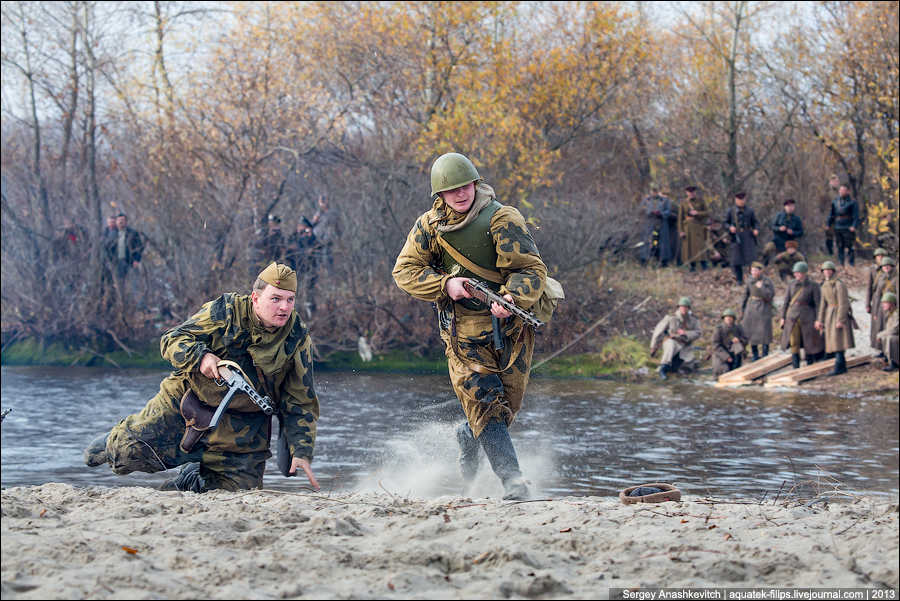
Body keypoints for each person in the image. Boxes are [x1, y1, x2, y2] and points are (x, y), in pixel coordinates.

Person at [83, 262, 321, 492]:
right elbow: (172, 340)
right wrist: (201, 357)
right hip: (189, 403)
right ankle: (115, 439)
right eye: (276, 299)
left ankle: (191, 478)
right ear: (255, 298)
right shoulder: (226, 311)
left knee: (237, 496)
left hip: (244, 430)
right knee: (125, 454)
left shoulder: (297, 338)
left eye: (290, 300)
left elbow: (301, 400)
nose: (284, 307)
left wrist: (301, 450)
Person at [392, 152, 547, 500]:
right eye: (450, 190)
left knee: (506, 408)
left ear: (475, 183)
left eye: (465, 186)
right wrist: (445, 284)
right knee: (486, 404)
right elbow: (404, 272)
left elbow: (531, 270)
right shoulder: (429, 227)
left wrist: (512, 298)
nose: (460, 194)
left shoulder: (503, 219)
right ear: (439, 195)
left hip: (510, 330)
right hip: (462, 332)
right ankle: (513, 482)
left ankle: (468, 433)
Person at [779, 261, 824, 368]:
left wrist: (818, 319)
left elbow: (818, 304)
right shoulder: (791, 284)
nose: (796, 275)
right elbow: (786, 301)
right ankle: (796, 366)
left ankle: (810, 365)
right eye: (795, 273)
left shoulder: (814, 285)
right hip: (792, 316)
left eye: (798, 272)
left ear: (804, 273)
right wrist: (782, 317)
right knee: (794, 342)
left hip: (808, 316)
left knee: (809, 341)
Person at [815, 261, 855, 376]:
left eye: (829, 270)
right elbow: (823, 304)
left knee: (839, 340)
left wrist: (841, 319)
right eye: (824, 270)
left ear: (833, 271)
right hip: (830, 314)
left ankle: (840, 366)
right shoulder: (824, 285)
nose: (827, 272)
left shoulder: (839, 284)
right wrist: (820, 320)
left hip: (838, 313)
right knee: (833, 340)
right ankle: (840, 366)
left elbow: (843, 303)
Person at [650, 296, 701, 380]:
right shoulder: (671, 317)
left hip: (685, 345)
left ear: (689, 308)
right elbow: (658, 331)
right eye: (682, 307)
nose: (684, 309)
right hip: (672, 341)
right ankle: (662, 368)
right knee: (670, 346)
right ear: (678, 307)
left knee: (686, 365)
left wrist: (686, 333)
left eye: (686, 307)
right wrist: (653, 346)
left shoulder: (694, 320)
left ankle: (673, 369)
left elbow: (698, 332)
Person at [740, 261, 775, 361]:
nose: (753, 272)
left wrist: (762, 287)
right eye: (752, 270)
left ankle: (765, 354)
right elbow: (745, 295)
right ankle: (754, 354)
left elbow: (770, 295)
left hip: (764, 307)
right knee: (751, 331)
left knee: (765, 332)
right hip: (751, 308)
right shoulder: (749, 280)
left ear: (760, 271)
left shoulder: (767, 281)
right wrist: (742, 309)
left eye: (755, 270)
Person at [286, 217, 321, 316]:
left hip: (309, 268)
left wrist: (310, 235)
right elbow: (289, 251)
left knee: (310, 291)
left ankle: (311, 313)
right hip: (296, 268)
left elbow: (318, 247)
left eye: (304, 227)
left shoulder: (311, 238)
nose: (301, 229)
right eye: (301, 226)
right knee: (296, 291)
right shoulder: (293, 237)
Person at [723, 192, 759, 285]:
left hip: (747, 236)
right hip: (736, 236)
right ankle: (739, 280)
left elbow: (755, 222)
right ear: (736, 200)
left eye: (743, 199)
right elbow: (725, 223)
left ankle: (752, 279)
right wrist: (730, 227)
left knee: (751, 259)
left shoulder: (750, 211)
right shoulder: (731, 211)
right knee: (736, 260)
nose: (741, 201)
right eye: (739, 199)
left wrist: (756, 229)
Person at [638, 184, 679, 268]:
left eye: (656, 191)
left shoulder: (665, 200)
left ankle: (664, 261)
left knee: (663, 241)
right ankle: (645, 260)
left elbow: (668, 211)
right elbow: (641, 210)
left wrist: (661, 213)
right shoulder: (646, 200)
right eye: (653, 191)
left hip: (662, 222)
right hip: (649, 223)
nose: (654, 192)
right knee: (648, 240)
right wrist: (649, 212)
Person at [870, 257, 898, 358]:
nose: (885, 267)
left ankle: (890, 353)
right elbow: (877, 295)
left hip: (893, 306)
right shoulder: (881, 278)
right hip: (882, 306)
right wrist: (876, 310)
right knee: (880, 327)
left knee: (890, 328)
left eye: (887, 266)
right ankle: (882, 351)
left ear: (892, 266)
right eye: (883, 266)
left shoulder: (896, 279)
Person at [105, 213, 145, 280]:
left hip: (130, 262)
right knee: (118, 282)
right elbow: (107, 248)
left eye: (123, 220)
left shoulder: (133, 233)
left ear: (126, 222)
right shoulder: (111, 233)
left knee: (133, 283)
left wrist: (137, 260)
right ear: (116, 222)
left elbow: (140, 247)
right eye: (119, 220)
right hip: (116, 263)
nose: (120, 222)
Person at [678, 185, 709, 271]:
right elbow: (680, 218)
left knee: (700, 246)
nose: (691, 193)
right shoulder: (683, 203)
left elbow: (707, 213)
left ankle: (704, 265)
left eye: (692, 191)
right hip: (687, 227)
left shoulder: (701, 201)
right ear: (686, 193)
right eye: (689, 192)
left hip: (698, 226)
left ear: (695, 192)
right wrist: (681, 231)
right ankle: (692, 266)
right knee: (689, 247)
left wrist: (697, 213)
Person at [827, 184, 859, 266]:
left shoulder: (852, 202)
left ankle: (851, 264)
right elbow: (831, 214)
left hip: (848, 226)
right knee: (839, 246)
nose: (841, 192)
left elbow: (856, 216)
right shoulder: (835, 201)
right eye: (840, 190)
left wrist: (854, 226)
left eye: (844, 190)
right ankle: (841, 264)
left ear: (848, 191)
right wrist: (828, 224)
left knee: (850, 246)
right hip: (838, 226)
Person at [711, 309, 748, 376]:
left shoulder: (738, 328)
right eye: (727, 317)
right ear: (724, 318)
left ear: (733, 319)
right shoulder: (719, 329)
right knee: (724, 371)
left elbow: (746, 340)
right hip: (721, 355)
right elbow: (715, 345)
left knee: (737, 372)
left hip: (735, 355)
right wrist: (726, 357)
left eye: (730, 317)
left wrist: (739, 340)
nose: (728, 319)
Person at [311, 195, 338, 273]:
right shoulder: (318, 213)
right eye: (321, 201)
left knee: (327, 259)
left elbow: (334, 227)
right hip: (317, 240)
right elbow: (313, 224)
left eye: (324, 201)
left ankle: (330, 275)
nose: (322, 203)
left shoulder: (332, 213)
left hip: (326, 240)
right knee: (317, 260)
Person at [875, 292, 899, 372]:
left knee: (891, 338)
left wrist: (880, 335)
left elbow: (895, 330)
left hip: (896, 336)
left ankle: (894, 363)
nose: (883, 305)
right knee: (886, 337)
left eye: (885, 303)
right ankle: (888, 358)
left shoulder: (896, 314)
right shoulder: (890, 313)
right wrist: (881, 335)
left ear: (892, 303)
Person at [823, 174, 840, 256]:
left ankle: (838, 253)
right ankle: (830, 253)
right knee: (829, 236)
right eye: (833, 181)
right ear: (830, 182)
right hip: (829, 217)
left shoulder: (840, 192)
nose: (835, 183)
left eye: (836, 181)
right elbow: (823, 207)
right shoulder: (826, 193)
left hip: (839, 217)